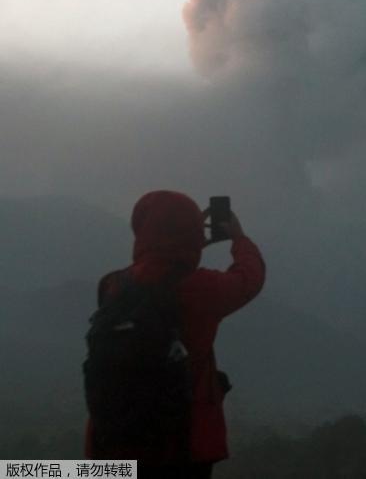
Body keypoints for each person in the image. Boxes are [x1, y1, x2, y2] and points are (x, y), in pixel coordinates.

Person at [85, 190, 266, 478]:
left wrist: (186, 247)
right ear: (193, 232)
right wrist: (239, 239)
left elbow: (155, 273)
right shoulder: (201, 289)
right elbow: (249, 279)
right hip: (182, 447)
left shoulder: (112, 285)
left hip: (112, 443)